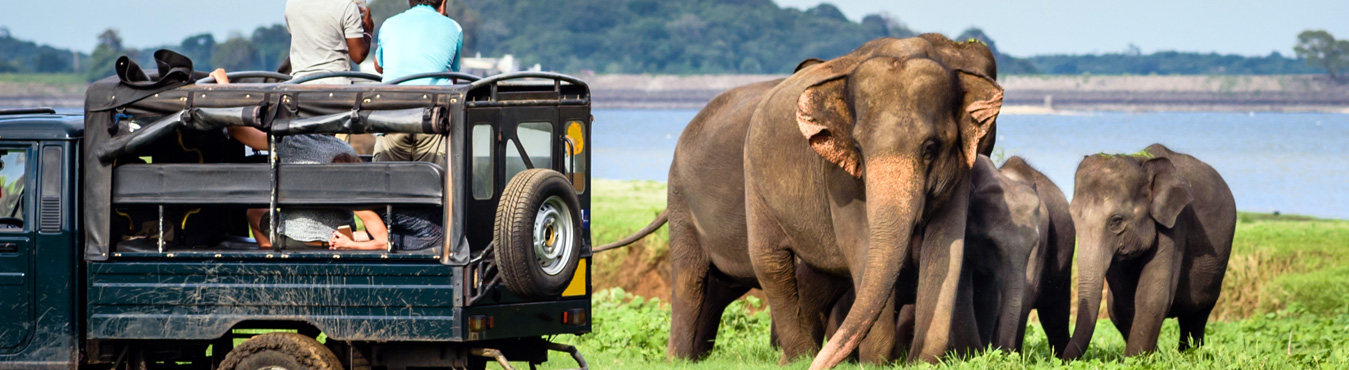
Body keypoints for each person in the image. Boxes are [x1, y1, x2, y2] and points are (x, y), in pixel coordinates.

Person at [369, 0, 465, 167]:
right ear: (442, 3)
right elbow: (453, 75)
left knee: (387, 186)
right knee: (436, 186)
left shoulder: (389, 24)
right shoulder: (453, 28)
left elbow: (379, 66)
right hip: (433, 118)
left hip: (391, 116)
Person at [285, 0, 374, 84]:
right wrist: (367, 32)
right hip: (336, 82)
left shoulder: (291, 4)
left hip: (300, 82)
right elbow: (358, 55)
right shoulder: (347, 6)